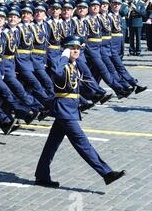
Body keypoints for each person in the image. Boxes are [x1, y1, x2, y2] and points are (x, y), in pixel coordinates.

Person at [34, 35, 126, 188]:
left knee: (51, 145)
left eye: (78, 48)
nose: (76, 51)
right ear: (65, 50)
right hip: (64, 110)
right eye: (72, 48)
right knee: (82, 143)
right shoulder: (61, 63)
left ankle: (41, 176)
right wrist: (63, 56)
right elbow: (56, 73)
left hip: (68, 109)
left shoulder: (72, 64)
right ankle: (106, 173)